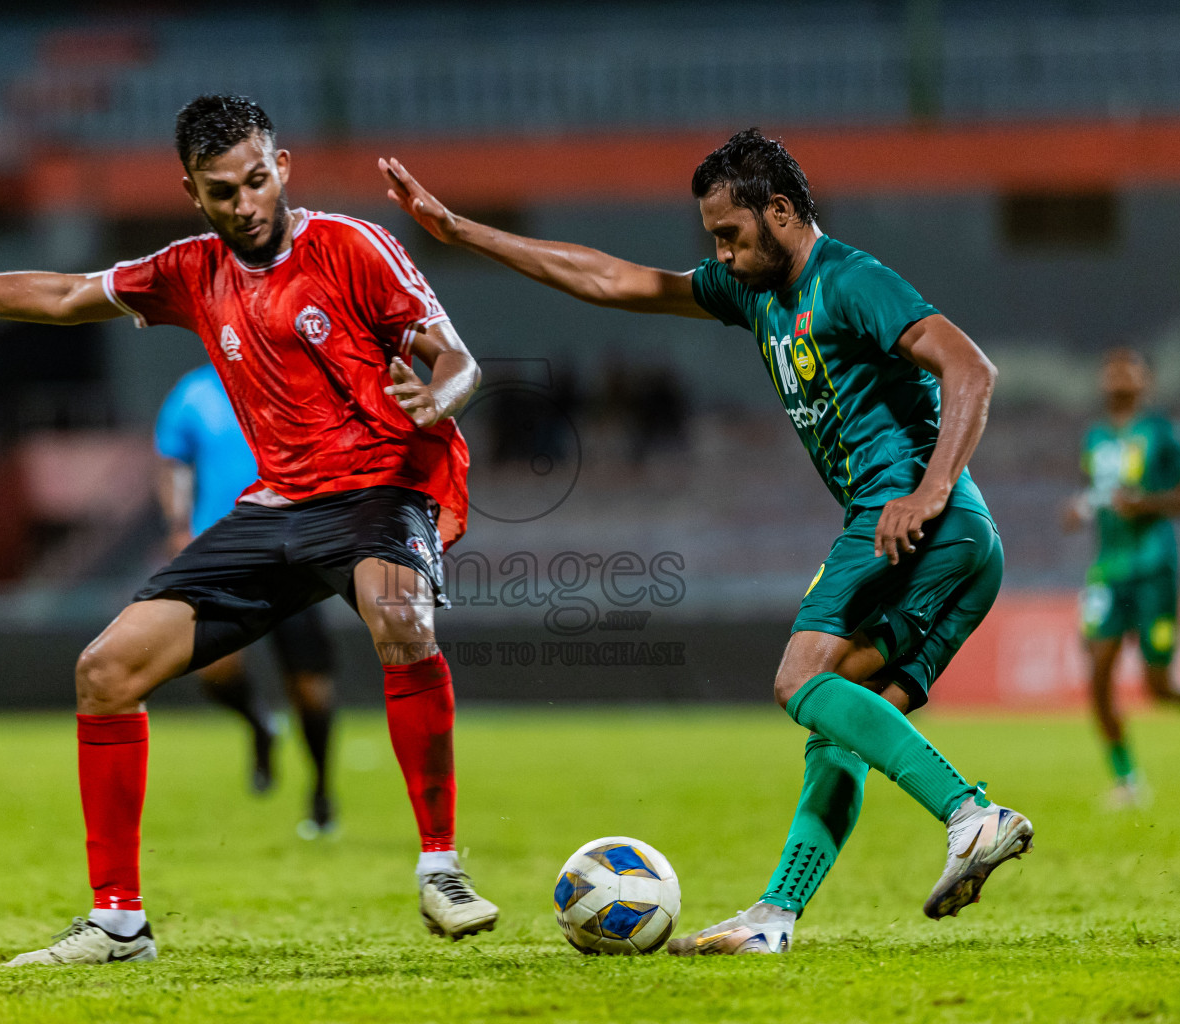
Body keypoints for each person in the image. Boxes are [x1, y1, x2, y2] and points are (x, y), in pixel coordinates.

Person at [0, 93, 498, 965]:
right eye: (224, 192)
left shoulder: (352, 246)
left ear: (282, 168)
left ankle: (440, 870)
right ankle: (118, 923)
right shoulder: (189, 270)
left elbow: (459, 359)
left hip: (380, 487)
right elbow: (66, 294)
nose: (247, 204)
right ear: (193, 192)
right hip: (276, 506)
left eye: (258, 181)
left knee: (399, 616)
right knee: (105, 671)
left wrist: (435, 395)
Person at [381, 128, 1033, 955]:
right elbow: (610, 279)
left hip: (913, 518)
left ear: (784, 212)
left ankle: (972, 816)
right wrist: (464, 232)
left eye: (731, 234)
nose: (719, 254)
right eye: (712, 240)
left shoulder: (851, 280)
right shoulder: (751, 293)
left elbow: (970, 367)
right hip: (959, 542)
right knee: (841, 725)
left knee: (799, 679)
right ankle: (774, 918)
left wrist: (929, 488)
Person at [156, 362, 339, 832]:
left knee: (311, 689)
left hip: (293, 551)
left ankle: (320, 791)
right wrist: (178, 524)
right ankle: (260, 724)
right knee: (214, 671)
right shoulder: (194, 390)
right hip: (221, 551)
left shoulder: (296, 378)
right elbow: (172, 461)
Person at [1062, 348, 1180, 808]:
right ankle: (1127, 781)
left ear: (1145, 380)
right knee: (1098, 671)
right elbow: (1097, 495)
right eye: (1110, 367)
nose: (1117, 374)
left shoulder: (1163, 432)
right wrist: (1079, 508)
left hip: (1155, 566)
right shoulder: (1094, 437)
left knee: (1157, 685)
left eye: (1127, 368)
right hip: (1107, 571)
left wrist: (1147, 503)